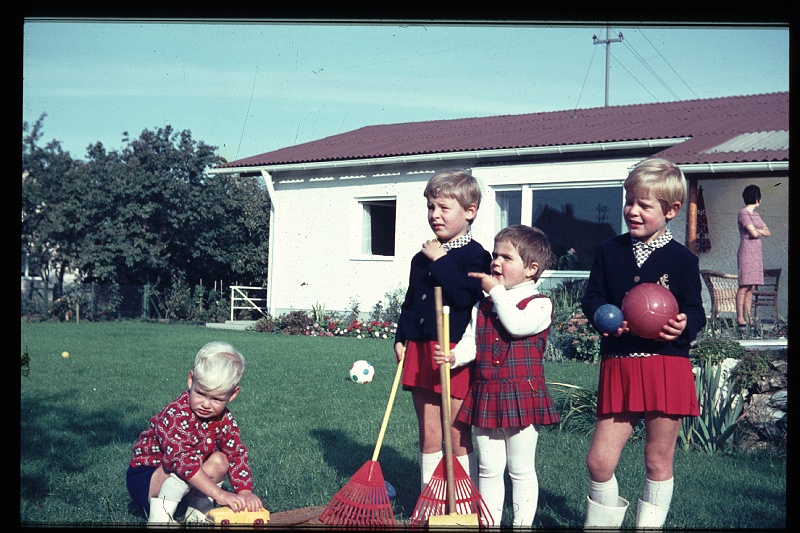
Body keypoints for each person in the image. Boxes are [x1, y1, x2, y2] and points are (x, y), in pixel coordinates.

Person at [580, 158, 706, 529]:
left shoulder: (683, 259)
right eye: (629, 201)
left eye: (644, 205)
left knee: (657, 461)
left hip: (666, 366)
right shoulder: (608, 251)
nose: (632, 211)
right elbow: (592, 299)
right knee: (599, 462)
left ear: (672, 210)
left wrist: (685, 325)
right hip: (620, 364)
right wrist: (602, 315)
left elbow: (695, 311)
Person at [433, 224, 561, 527]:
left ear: (531, 269)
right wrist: (453, 357)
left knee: (520, 469)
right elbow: (473, 343)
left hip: (521, 394)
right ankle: (488, 524)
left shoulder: (540, 304)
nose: (495, 262)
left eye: (506, 257)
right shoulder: (485, 304)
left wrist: (497, 293)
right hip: (487, 393)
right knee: (490, 468)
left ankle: (521, 526)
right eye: (495, 255)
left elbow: (516, 325)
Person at [393, 168, 492, 493]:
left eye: (443, 208)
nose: (435, 215)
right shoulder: (420, 258)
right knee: (430, 433)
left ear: (469, 211)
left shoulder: (477, 256)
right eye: (430, 207)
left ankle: (465, 501)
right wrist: (401, 338)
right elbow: (411, 304)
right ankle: (430, 500)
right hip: (421, 350)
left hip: (454, 352)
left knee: (456, 433)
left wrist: (441, 260)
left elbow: (465, 296)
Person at [126, 341, 264, 525]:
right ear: (191, 380)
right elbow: (182, 461)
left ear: (232, 394)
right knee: (183, 464)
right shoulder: (176, 414)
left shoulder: (225, 418)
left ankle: (198, 512)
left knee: (220, 459)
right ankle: (159, 519)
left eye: (216, 398)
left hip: (183, 474)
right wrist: (220, 495)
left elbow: (236, 454)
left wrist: (245, 491)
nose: (206, 404)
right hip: (149, 479)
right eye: (200, 393)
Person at [736, 184, 771, 337]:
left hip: (756, 252)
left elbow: (767, 232)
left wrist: (759, 232)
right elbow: (754, 233)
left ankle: (748, 317)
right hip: (746, 252)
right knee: (744, 285)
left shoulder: (756, 215)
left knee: (751, 286)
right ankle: (740, 317)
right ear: (757, 198)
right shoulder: (743, 213)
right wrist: (758, 232)